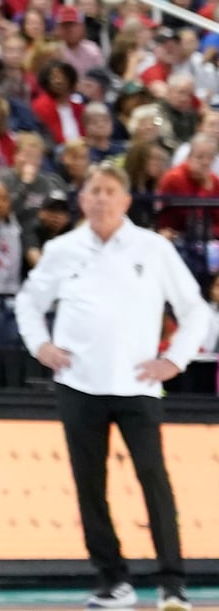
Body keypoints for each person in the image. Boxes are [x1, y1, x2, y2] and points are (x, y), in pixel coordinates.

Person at [15, 163, 207, 611]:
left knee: (153, 479)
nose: (101, 199)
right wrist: (40, 345)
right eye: (94, 191)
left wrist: (173, 360)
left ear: (125, 201)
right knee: (89, 484)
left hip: (138, 383)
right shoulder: (63, 249)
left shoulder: (153, 248)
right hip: (78, 385)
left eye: (110, 191)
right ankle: (112, 580)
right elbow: (28, 301)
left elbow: (195, 309)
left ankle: (172, 584)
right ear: (82, 201)